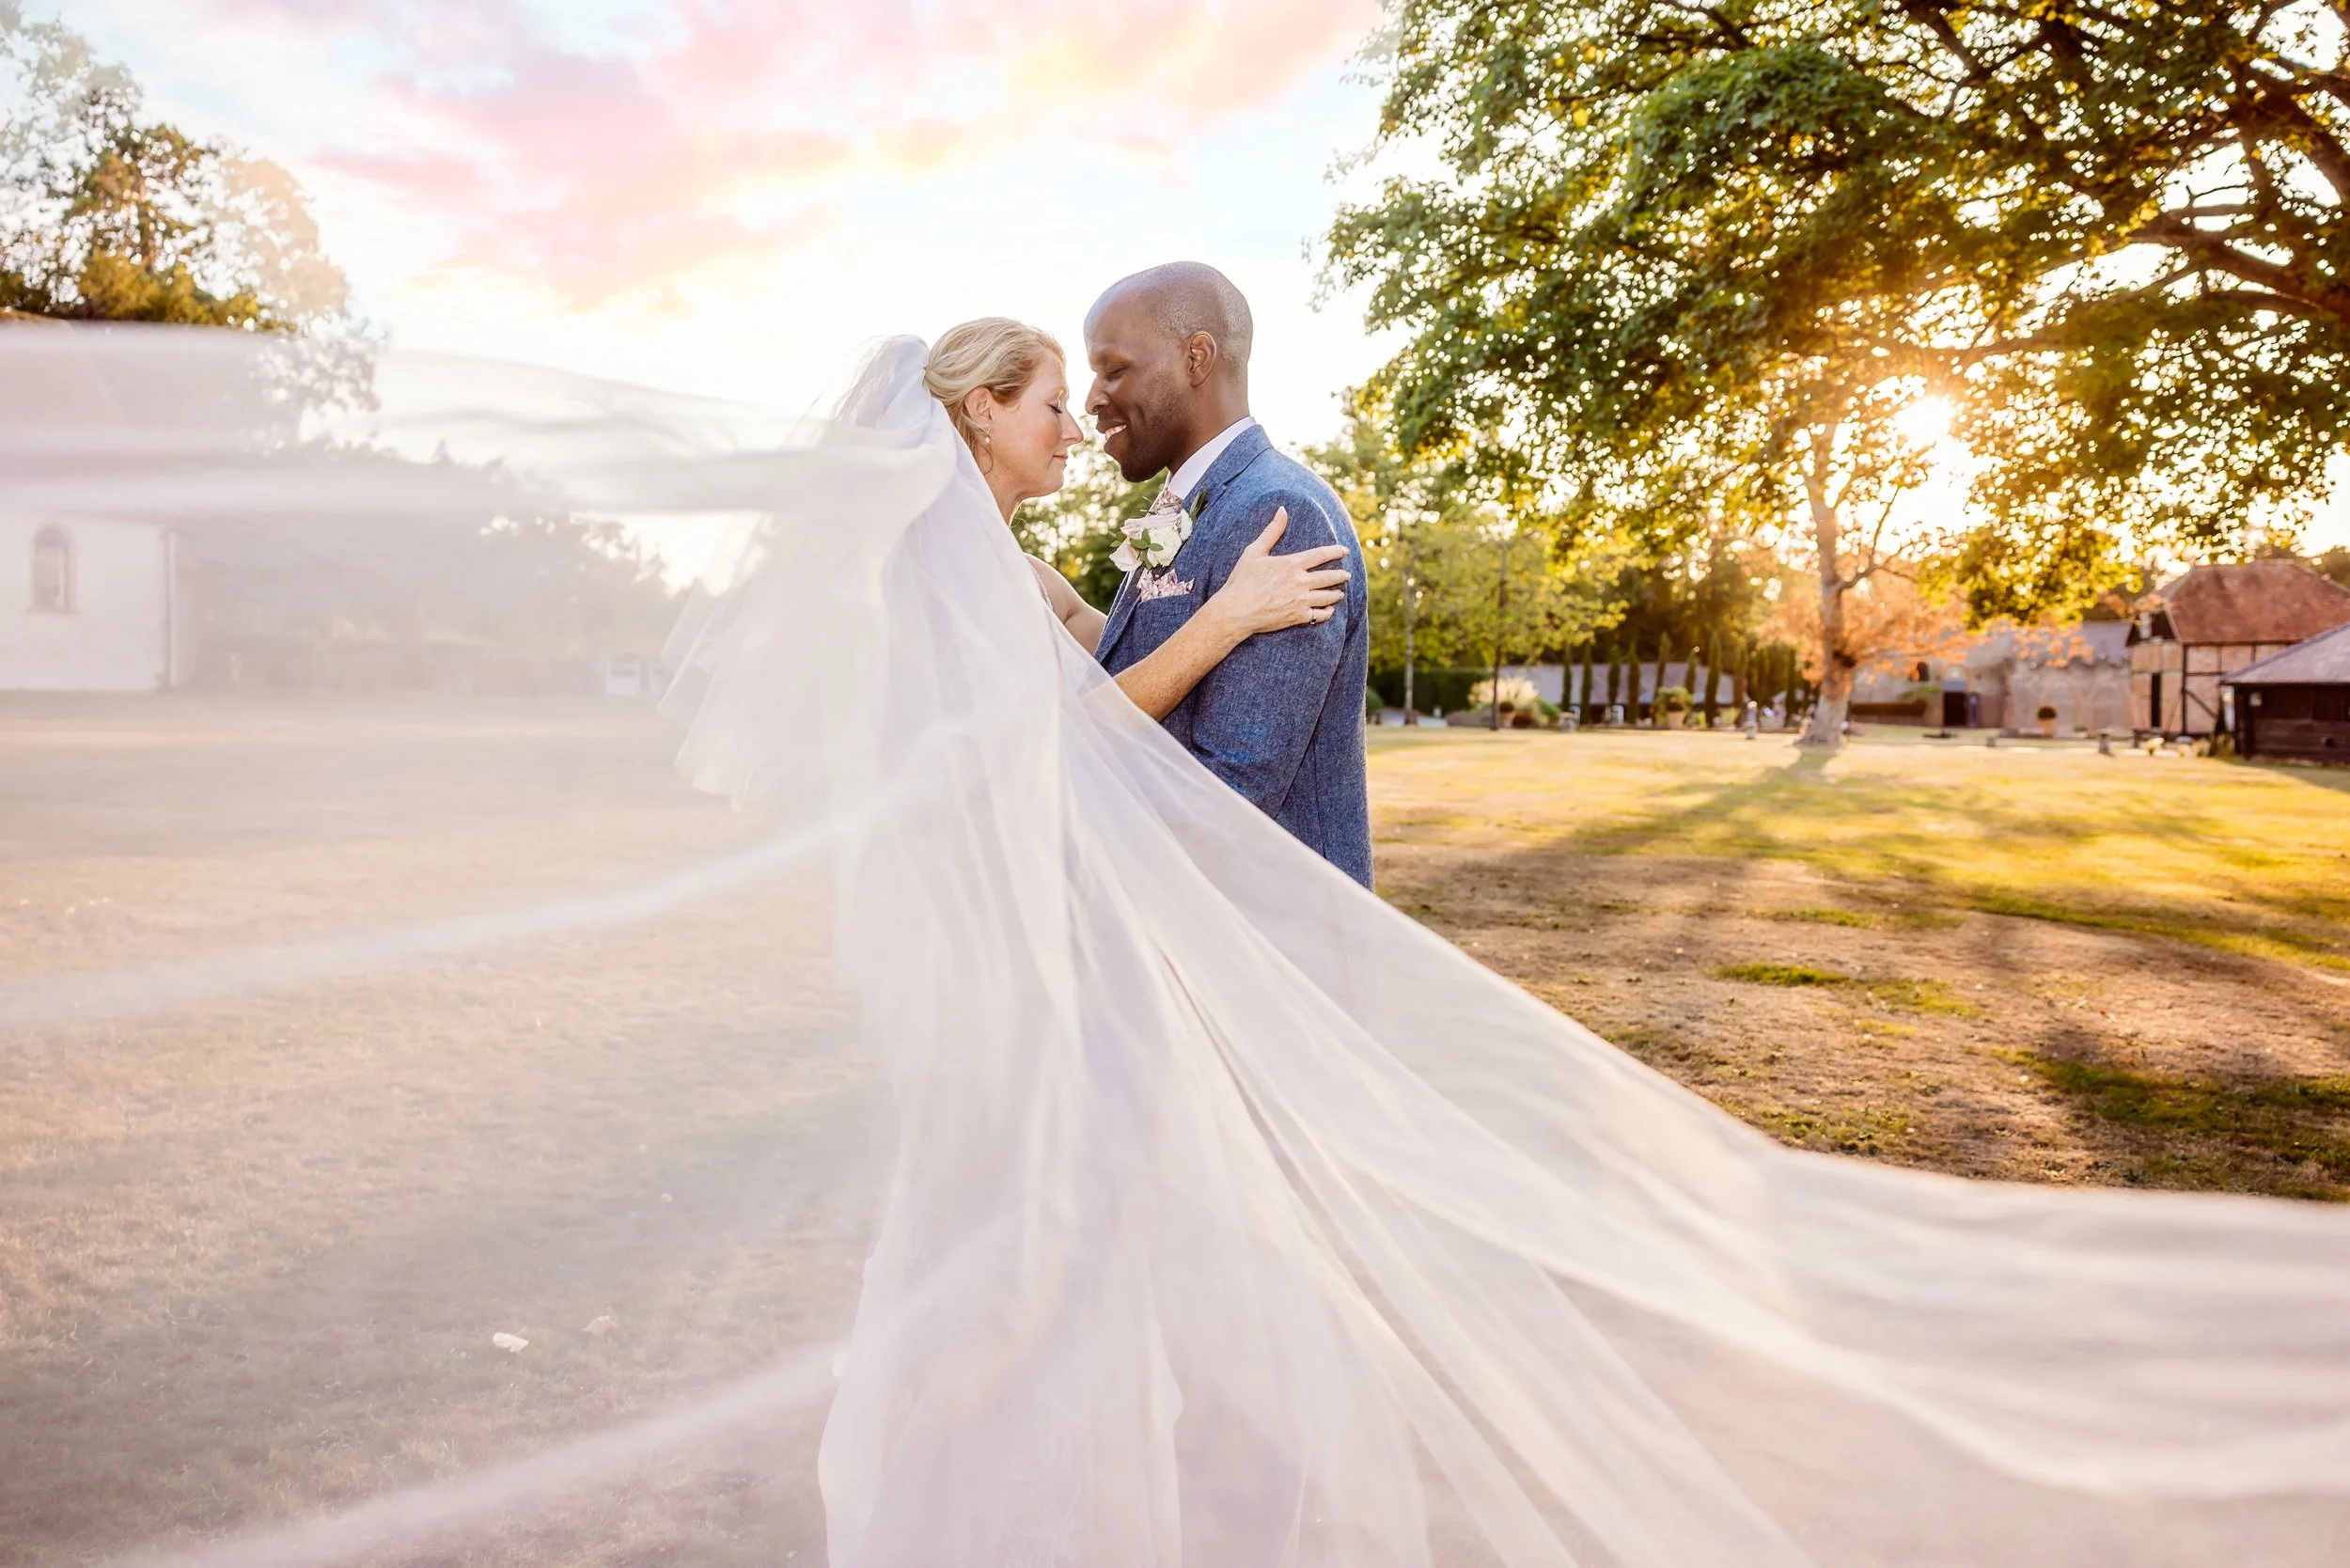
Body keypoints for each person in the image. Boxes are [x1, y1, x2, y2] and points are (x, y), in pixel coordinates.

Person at [9, 323, 2350, 1568]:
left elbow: (1118, 737)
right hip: (1024, 948)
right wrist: (1206, 607)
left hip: (1068, 954)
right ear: (984, 416)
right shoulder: (1020, 549)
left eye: (1096, 387)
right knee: (1036, 1241)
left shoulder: (1064, 533)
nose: (1078, 420)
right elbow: (1035, 745)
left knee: (1041, 1244)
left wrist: (1196, 609)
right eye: (1051, 396)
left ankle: (1072, 1484)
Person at [1078, 262, 1372, 887]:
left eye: (1113, 368)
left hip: (1268, 940)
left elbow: (1234, 790)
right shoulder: (1189, 509)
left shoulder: (1281, 515)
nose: (1092, 399)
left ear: (1196, 358)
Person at [921, 316, 1353, 726]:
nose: (1075, 430)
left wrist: (1248, 593)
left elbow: (1133, 655)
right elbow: (1065, 736)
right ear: (984, 409)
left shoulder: (1040, 582)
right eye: (1054, 406)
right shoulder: (944, 572)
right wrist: (1229, 617)